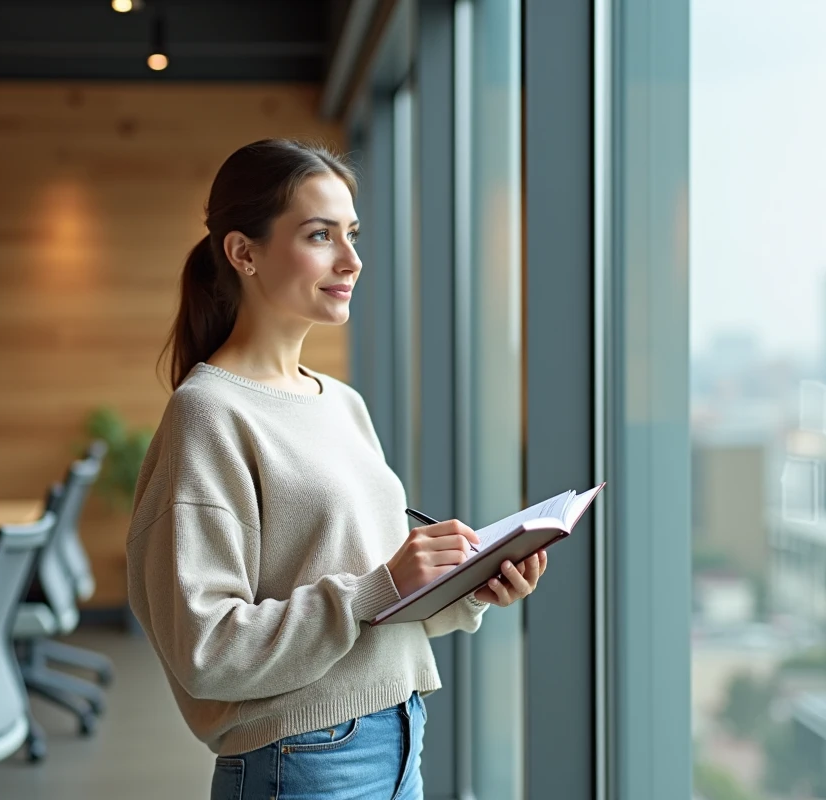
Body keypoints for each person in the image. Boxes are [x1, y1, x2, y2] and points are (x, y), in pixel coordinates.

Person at [126, 138, 548, 800]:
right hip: (304, 758)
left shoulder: (341, 403)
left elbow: (374, 601)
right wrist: (373, 589)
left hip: (399, 734)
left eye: (351, 234)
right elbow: (204, 649)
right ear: (244, 253)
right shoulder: (207, 414)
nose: (350, 259)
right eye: (320, 236)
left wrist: (466, 586)